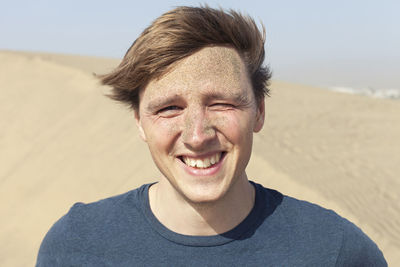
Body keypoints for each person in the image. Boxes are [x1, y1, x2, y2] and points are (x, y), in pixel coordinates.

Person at [36, 6, 386, 266]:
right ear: (139, 122)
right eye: (168, 109)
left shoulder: (335, 251)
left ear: (259, 112)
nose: (197, 135)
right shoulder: (75, 246)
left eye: (221, 104)